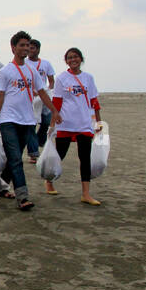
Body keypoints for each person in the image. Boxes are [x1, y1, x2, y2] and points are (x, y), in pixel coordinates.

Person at [0, 31, 59, 211]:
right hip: (8, 120)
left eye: (28, 45)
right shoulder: (5, 71)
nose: (26, 48)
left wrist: (54, 111)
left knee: (15, 157)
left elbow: (42, 92)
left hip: (27, 120)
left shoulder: (31, 70)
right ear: (13, 48)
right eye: (22, 45)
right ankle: (23, 196)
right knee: (16, 159)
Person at [45, 47, 105, 205]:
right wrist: (52, 125)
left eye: (76, 57)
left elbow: (94, 102)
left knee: (85, 158)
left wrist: (98, 122)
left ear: (81, 59)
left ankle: (86, 193)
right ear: (66, 61)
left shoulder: (88, 78)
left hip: (84, 123)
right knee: (60, 155)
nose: (73, 60)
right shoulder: (62, 79)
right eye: (70, 58)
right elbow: (56, 102)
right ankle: (49, 181)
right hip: (65, 123)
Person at [24, 38, 57, 162]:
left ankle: (39, 142)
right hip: (30, 97)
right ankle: (33, 153)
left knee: (46, 122)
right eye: (28, 48)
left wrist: (49, 90)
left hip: (44, 96)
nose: (29, 50)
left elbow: (51, 80)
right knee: (31, 124)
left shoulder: (46, 64)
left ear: (37, 49)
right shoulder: (25, 63)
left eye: (32, 48)